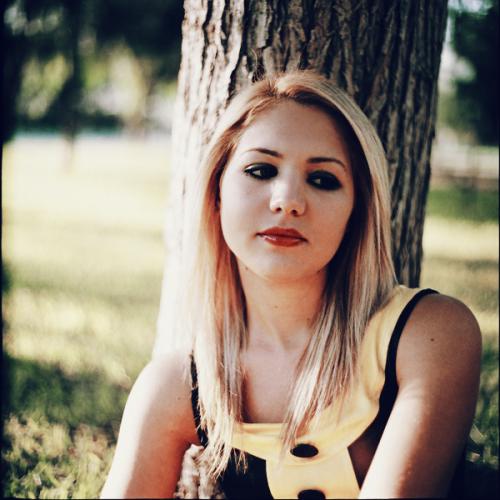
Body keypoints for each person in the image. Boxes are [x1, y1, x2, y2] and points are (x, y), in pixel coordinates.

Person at [101, 71, 481, 499]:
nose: (287, 201)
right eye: (260, 170)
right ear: (217, 192)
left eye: (323, 180)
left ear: (356, 211)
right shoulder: (179, 387)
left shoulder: (430, 333)